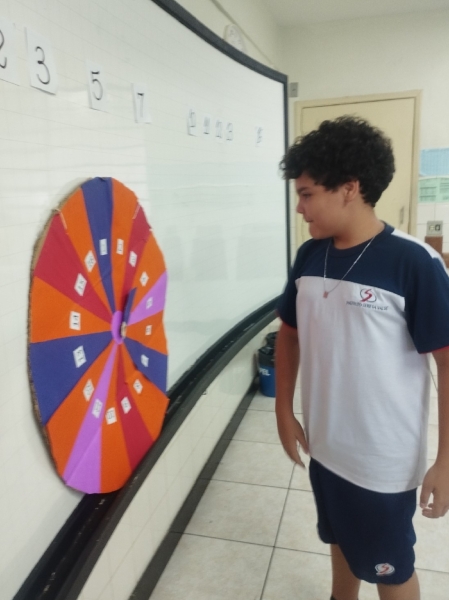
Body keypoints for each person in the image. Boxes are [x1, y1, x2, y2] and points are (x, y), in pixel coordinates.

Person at [275, 115, 449, 600]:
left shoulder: (412, 262)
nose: (299, 207)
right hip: (326, 446)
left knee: (390, 570)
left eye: (307, 194)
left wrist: (446, 460)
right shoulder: (310, 256)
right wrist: (283, 408)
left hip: (381, 462)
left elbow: (448, 362)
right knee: (340, 538)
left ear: (349, 188)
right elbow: (288, 334)